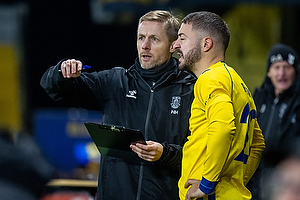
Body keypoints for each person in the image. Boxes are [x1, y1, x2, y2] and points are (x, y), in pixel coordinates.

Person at [40, 10, 196, 200]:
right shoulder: (115, 82)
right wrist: (60, 72)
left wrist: (164, 154)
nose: (144, 46)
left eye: (154, 39)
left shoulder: (190, 89)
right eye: (141, 38)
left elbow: (199, 155)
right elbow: (55, 89)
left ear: (172, 46)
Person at [173, 11, 265, 200]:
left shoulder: (210, 79)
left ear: (206, 44)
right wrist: (234, 184)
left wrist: (208, 184)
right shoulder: (238, 82)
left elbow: (222, 128)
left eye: (182, 38)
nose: (175, 45)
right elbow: (257, 144)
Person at [248, 43, 300, 200]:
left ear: (295, 71)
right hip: (257, 181)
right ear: (269, 72)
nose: (281, 73)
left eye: (287, 67)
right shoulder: (258, 98)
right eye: (276, 67)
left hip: (287, 183)